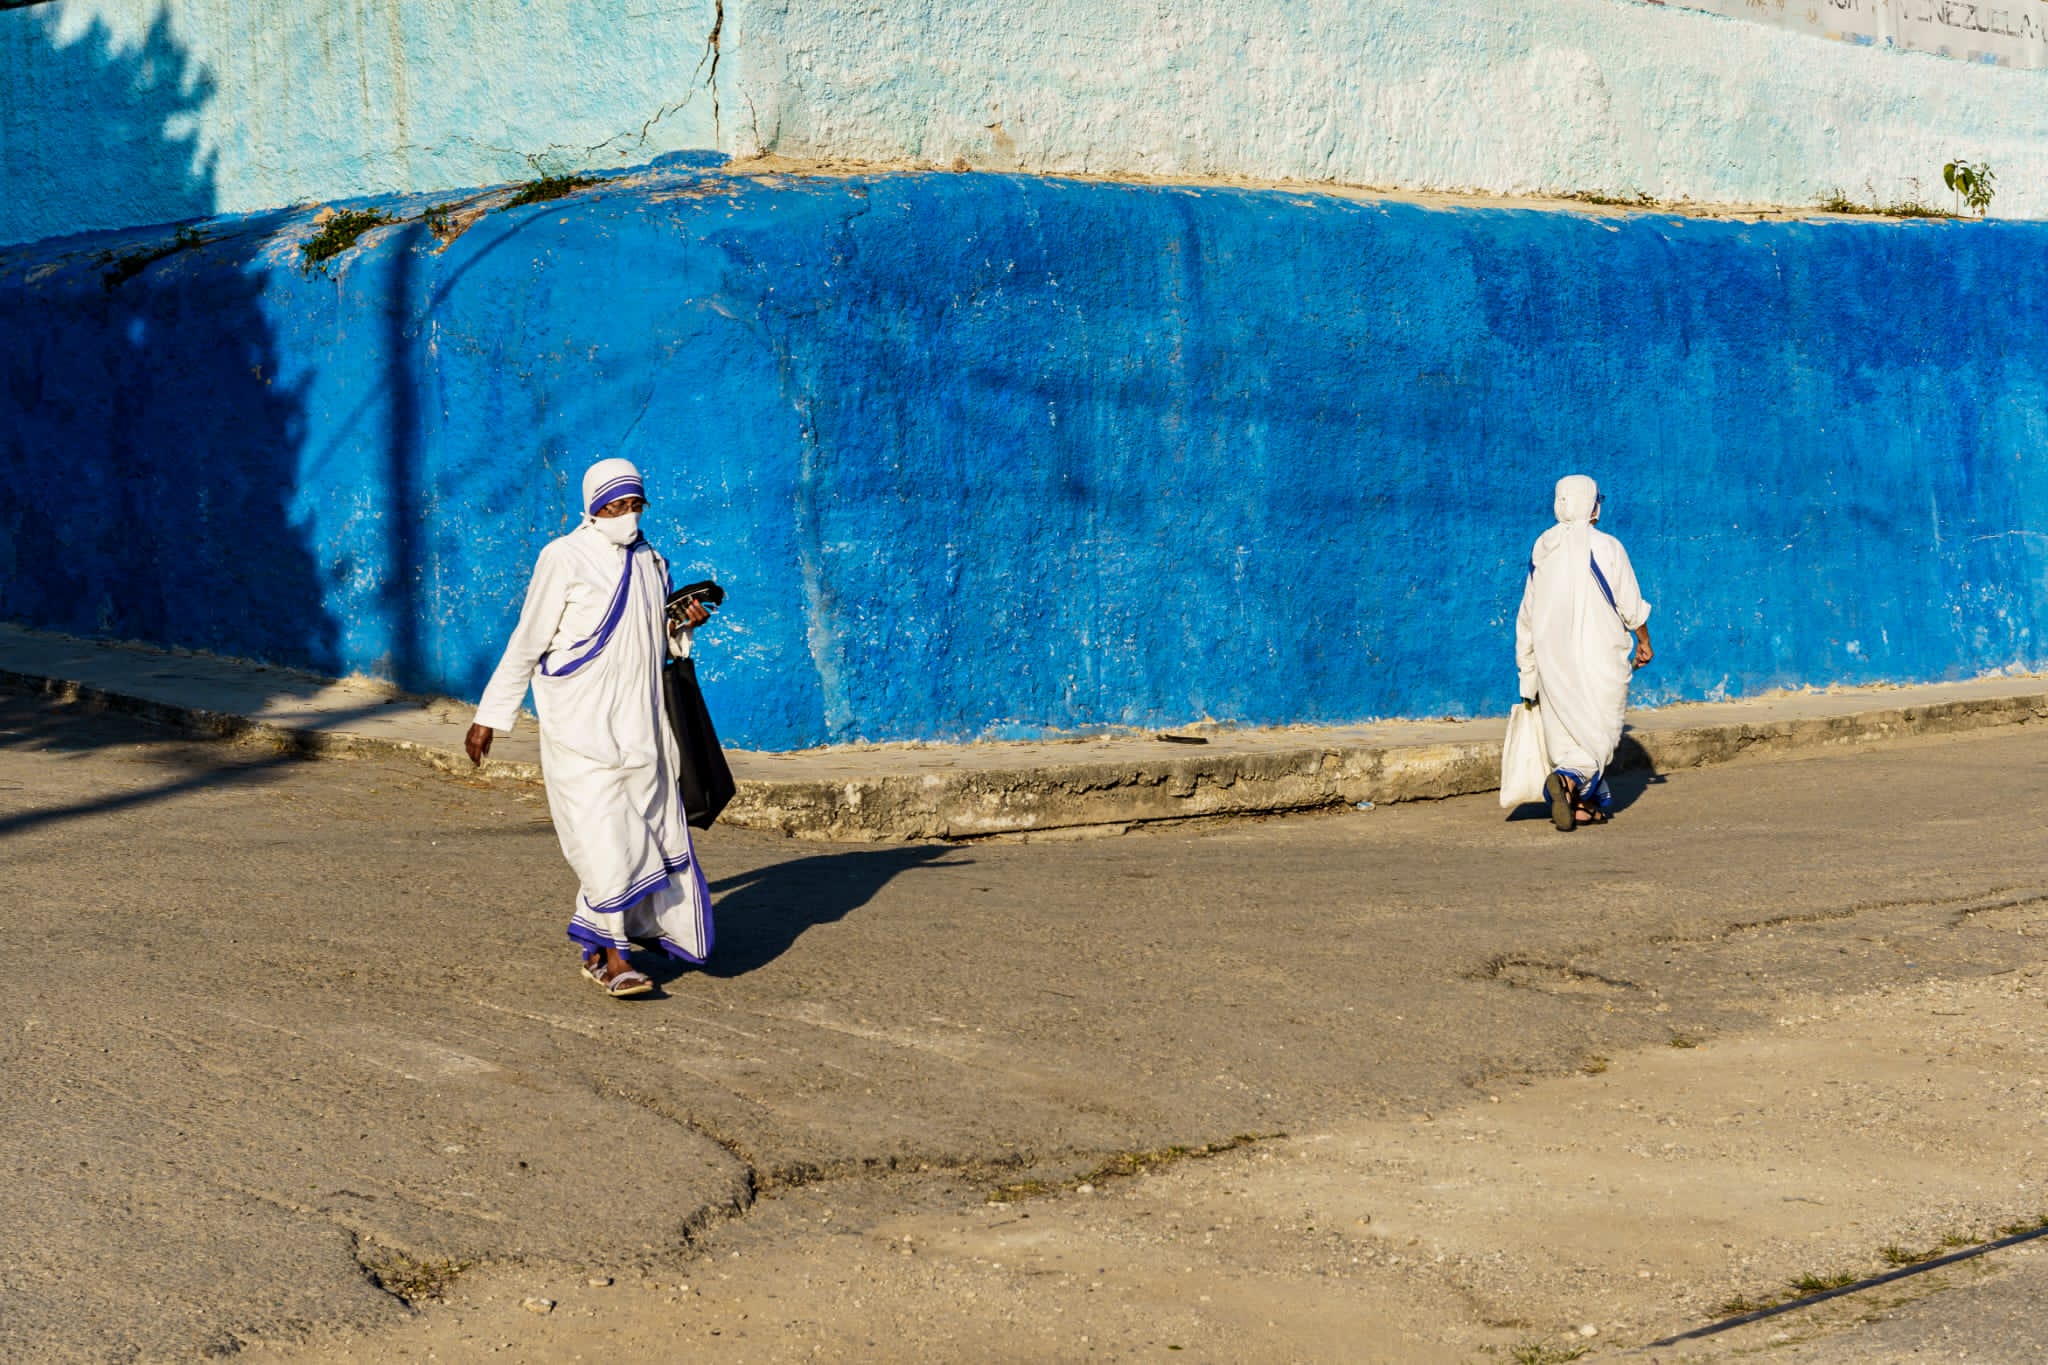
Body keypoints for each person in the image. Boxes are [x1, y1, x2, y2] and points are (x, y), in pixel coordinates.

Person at [465, 457, 715, 995]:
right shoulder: (563, 557)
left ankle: (600, 949)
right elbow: (529, 639)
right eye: (614, 506)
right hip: (579, 724)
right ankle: (618, 959)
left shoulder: (653, 562)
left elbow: (656, 642)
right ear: (592, 509)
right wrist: (489, 717)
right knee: (603, 837)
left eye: (633, 505)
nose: (625, 516)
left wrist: (681, 623)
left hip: (641, 727)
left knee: (634, 835)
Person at [1514, 474, 1653, 832]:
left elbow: (1527, 611)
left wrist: (1526, 665)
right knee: (1600, 733)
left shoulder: (1543, 546)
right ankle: (1566, 782)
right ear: (1589, 504)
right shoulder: (1607, 546)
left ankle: (1579, 804)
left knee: (1567, 730)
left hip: (1552, 661)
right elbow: (1630, 604)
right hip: (1599, 659)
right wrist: (1644, 641)